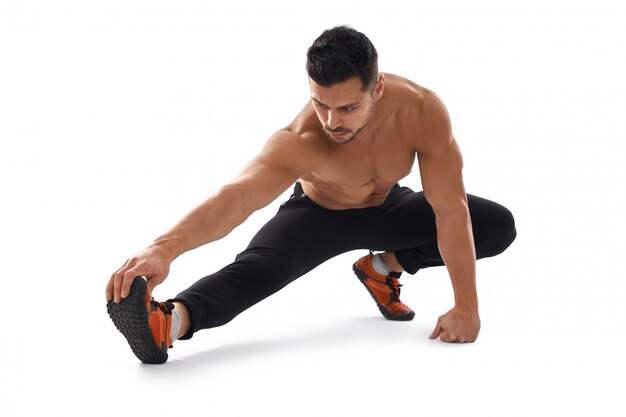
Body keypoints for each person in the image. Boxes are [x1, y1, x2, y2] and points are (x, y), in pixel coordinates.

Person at [106, 25, 516, 364]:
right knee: (257, 270)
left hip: (388, 207)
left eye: (347, 108)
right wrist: (163, 249)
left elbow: (449, 209)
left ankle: (383, 267)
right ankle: (169, 323)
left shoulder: (421, 112)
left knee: (495, 226)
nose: (332, 121)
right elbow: (238, 197)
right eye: (321, 105)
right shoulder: (301, 140)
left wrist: (467, 307)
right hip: (318, 214)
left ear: (377, 89)